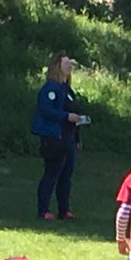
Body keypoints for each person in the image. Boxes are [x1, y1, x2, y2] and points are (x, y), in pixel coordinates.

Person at [31, 52, 87, 220]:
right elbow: (46, 110)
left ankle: (64, 209)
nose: (70, 67)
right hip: (54, 137)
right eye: (66, 64)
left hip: (68, 137)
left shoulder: (67, 90)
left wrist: (77, 137)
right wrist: (66, 116)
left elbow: (74, 110)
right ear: (57, 66)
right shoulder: (50, 89)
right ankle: (43, 210)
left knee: (66, 175)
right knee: (52, 172)